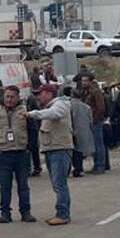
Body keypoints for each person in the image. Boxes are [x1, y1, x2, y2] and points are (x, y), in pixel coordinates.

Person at [25, 84, 74, 225]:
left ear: (48, 94)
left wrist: (32, 114)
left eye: (40, 94)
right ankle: (61, 213)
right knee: (57, 184)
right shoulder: (52, 106)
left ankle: (63, 214)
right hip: (53, 148)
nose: (38, 97)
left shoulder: (60, 104)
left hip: (59, 149)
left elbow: (55, 114)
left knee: (59, 184)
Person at [0, 86, 34, 224]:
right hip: (3, 154)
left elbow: (32, 130)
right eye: (7, 96)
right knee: (5, 186)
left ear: (17, 97)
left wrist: (29, 148)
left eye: (12, 97)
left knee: (23, 185)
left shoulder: (24, 111)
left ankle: (26, 212)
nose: (9, 99)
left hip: (21, 153)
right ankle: (5, 213)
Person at [82, 75, 109, 174]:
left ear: (90, 81)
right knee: (94, 144)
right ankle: (96, 164)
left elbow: (101, 107)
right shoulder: (86, 92)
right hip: (90, 121)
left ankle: (100, 165)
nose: (83, 83)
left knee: (98, 144)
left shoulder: (96, 92)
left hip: (96, 121)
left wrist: (95, 118)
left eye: (85, 81)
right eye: (83, 81)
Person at [65, 86, 94, 179]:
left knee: (69, 152)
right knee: (79, 151)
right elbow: (90, 121)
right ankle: (78, 169)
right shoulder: (87, 107)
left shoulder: (68, 105)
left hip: (70, 131)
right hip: (82, 131)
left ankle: (67, 170)